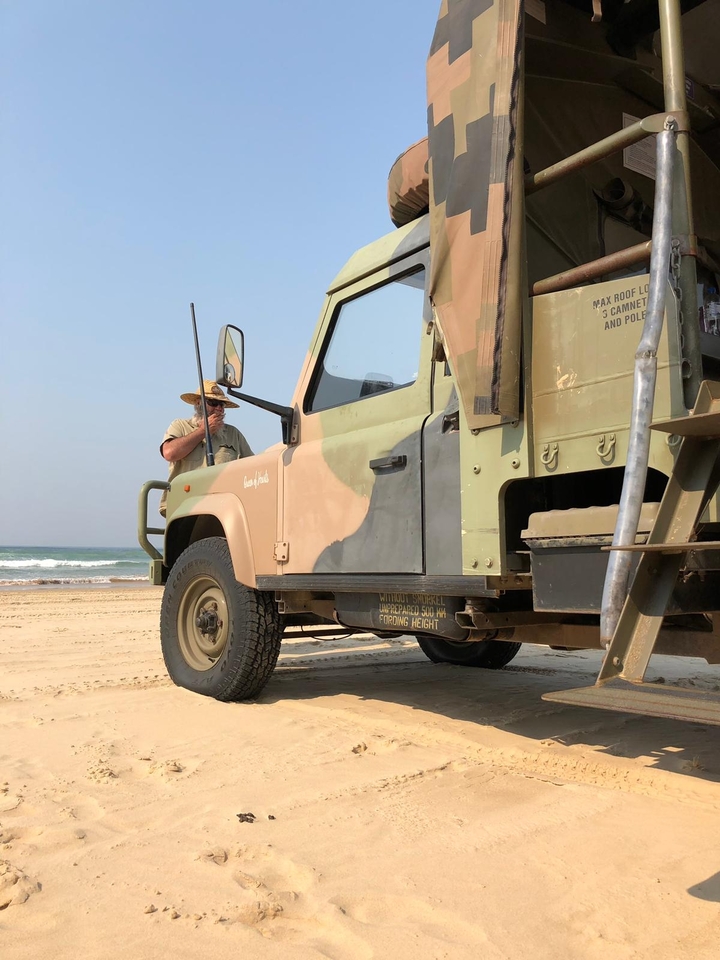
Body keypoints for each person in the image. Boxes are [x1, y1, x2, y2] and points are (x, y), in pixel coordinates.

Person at [159, 380, 253, 516]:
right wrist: (203, 431)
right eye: (213, 403)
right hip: (185, 507)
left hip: (223, 508)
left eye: (222, 404)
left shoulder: (233, 434)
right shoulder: (180, 426)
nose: (219, 409)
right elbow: (169, 453)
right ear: (198, 403)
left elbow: (251, 468)